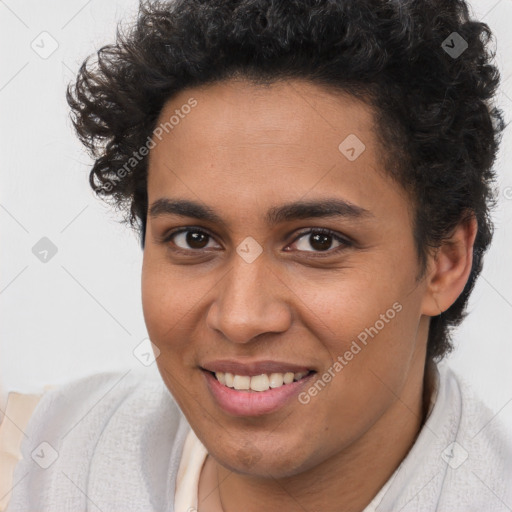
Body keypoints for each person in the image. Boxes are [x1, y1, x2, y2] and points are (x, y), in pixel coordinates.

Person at [6, 0, 512, 510]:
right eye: (194, 239)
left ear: (444, 262)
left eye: (319, 241)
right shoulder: (32, 463)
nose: (242, 318)